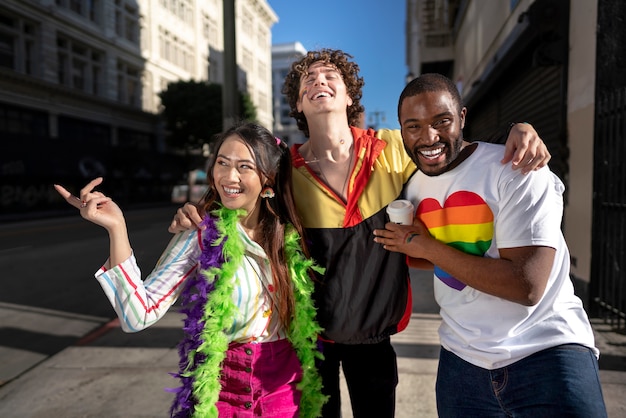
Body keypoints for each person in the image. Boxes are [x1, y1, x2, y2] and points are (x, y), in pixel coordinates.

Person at [169, 49, 551, 417]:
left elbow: (449, 144)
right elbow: (240, 192)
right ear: (298, 104)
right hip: (311, 338)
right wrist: (199, 212)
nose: (319, 80)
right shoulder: (285, 169)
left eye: (330, 75)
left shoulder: (391, 148)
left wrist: (518, 129)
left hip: (374, 336)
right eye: (308, 80)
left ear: (349, 95)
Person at [54, 122, 328, 417]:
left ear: (268, 182)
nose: (229, 176)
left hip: (286, 391)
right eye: (222, 163)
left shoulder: (293, 236)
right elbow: (137, 316)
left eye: (244, 166)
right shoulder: (200, 234)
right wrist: (117, 228)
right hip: (223, 391)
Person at [373, 73, 607, 417]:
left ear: (463, 118)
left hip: (547, 352)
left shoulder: (517, 168)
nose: (429, 137)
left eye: (442, 121)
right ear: (401, 130)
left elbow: (526, 285)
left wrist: (427, 247)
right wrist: (412, 250)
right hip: (461, 362)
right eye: (414, 127)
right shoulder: (412, 186)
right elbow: (433, 257)